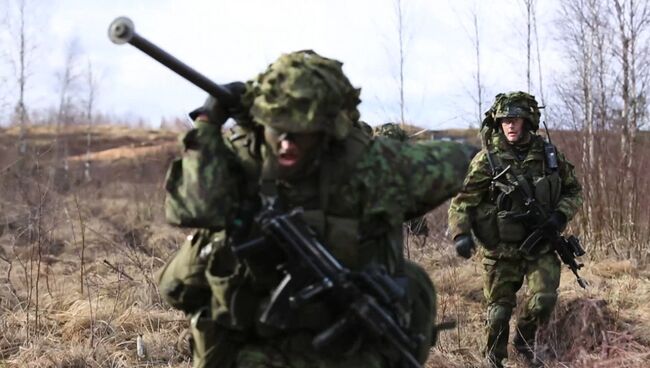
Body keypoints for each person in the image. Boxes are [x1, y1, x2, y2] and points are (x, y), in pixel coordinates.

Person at [157, 50, 473, 368]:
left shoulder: (373, 166)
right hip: (249, 350)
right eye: (278, 129)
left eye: (300, 133)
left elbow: (463, 161)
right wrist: (209, 122)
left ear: (327, 128)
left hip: (348, 352)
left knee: (412, 283)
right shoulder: (238, 161)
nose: (286, 144)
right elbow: (194, 207)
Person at [447, 91, 583, 368]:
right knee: (498, 314)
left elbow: (574, 190)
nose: (510, 125)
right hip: (501, 250)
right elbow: (461, 202)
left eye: (516, 119)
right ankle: (494, 360)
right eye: (505, 120)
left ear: (528, 122)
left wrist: (559, 216)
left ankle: (524, 340)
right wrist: (461, 235)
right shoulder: (488, 160)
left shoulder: (549, 156)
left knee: (544, 299)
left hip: (541, 246)